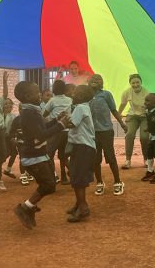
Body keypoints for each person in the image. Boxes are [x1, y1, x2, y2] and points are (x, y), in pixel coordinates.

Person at [12, 81, 71, 230]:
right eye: (37, 92)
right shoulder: (29, 114)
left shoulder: (32, 111)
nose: (40, 94)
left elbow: (41, 128)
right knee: (49, 185)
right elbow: (41, 135)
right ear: (27, 96)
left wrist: (56, 120)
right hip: (33, 157)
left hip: (38, 155)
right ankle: (26, 207)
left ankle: (28, 207)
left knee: (50, 185)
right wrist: (61, 126)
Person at [89, 74, 127, 196]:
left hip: (106, 131)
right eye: (93, 79)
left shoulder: (106, 94)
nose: (95, 80)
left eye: (98, 79)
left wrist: (122, 123)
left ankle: (118, 182)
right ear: (88, 82)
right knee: (95, 159)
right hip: (92, 132)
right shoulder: (87, 96)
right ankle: (99, 182)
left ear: (102, 83)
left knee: (110, 157)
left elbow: (113, 110)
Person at [65, 85, 96, 222]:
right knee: (77, 175)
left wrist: (61, 120)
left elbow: (71, 124)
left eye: (75, 93)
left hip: (82, 147)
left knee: (77, 177)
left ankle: (83, 207)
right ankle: (79, 204)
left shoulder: (80, 108)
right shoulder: (84, 107)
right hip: (85, 147)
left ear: (82, 97)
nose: (72, 95)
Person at [43, 80, 72, 184]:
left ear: (54, 89)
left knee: (49, 155)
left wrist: (51, 118)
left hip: (56, 130)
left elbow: (44, 114)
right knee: (63, 156)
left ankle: (53, 177)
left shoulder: (52, 101)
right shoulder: (70, 100)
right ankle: (65, 176)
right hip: (67, 131)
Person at [118, 74, 149, 169]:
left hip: (145, 116)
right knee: (129, 134)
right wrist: (118, 114)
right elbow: (123, 104)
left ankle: (146, 159)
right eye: (133, 83)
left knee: (144, 137)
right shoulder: (127, 92)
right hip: (132, 115)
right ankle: (128, 160)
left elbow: (151, 105)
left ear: (141, 82)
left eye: (137, 82)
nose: (135, 84)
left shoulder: (147, 92)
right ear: (130, 84)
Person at [2, 98, 18, 179]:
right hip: (1, 138)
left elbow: (14, 127)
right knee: (5, 154)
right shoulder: (0, 115)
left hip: (9, 137)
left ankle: (8, 170)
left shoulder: (13, 116)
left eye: (9, 103)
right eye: (6, 103)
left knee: (14, 153)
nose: (8, 105)